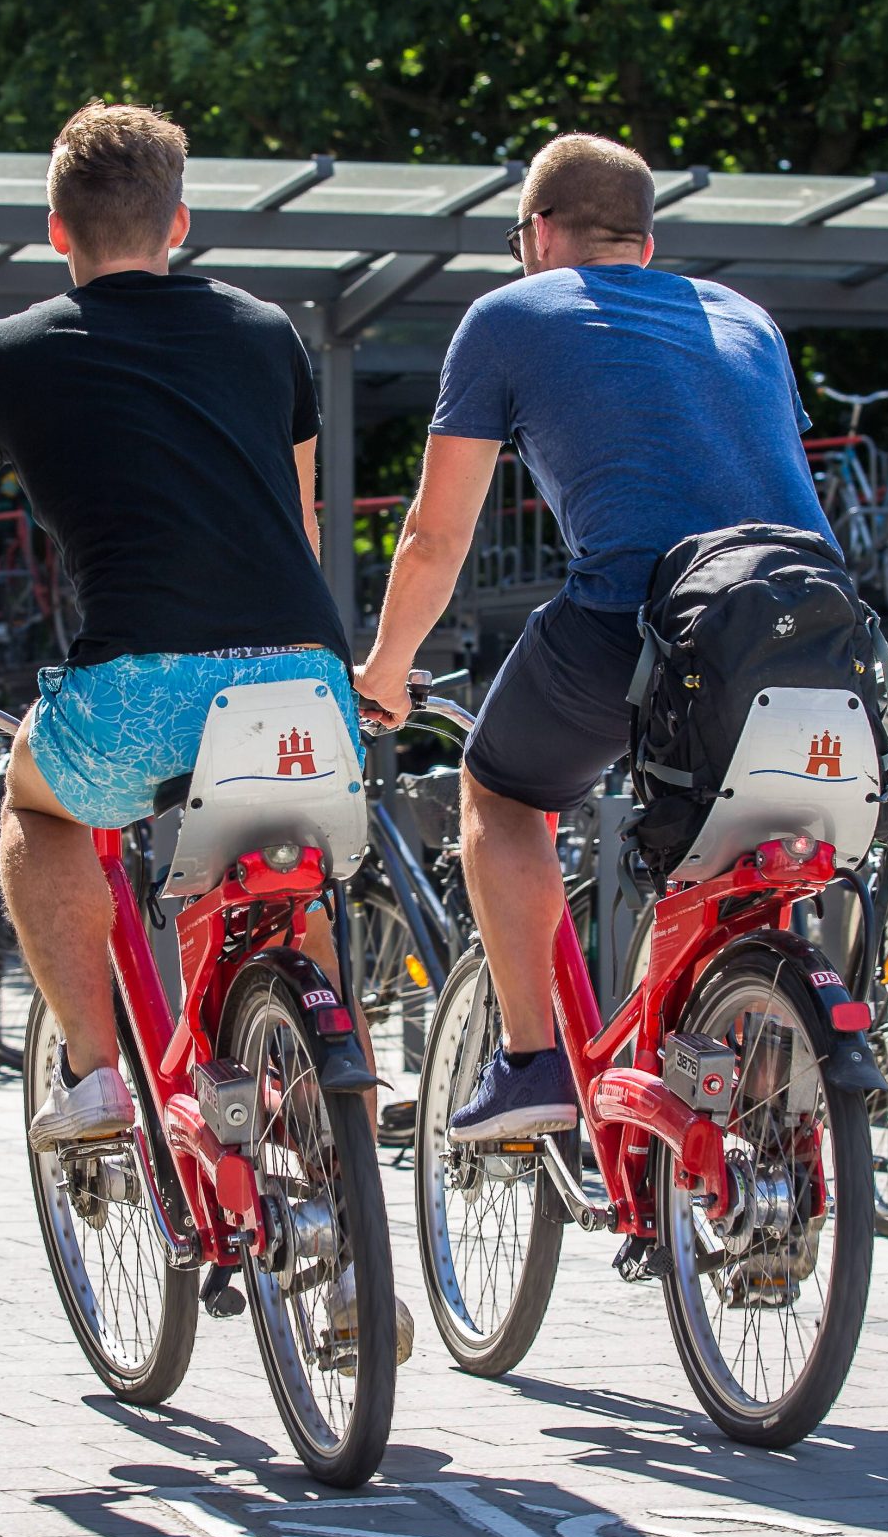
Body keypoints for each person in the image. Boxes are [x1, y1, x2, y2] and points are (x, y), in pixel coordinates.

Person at [0, 101, 355, 1151]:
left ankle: (91, 1075)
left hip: (139, 690)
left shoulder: (9, 355)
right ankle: (325, 1094)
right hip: (301, 683)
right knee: (287, 851)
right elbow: (297, 527)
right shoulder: (268, 335)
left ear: (55, 229)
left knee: (38, 807)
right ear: (178, 224)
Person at [354, 132, 833, 1141]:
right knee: (744, 839)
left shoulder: (509, 316)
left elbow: (436, 536)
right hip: (811, 622)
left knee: (503, 790)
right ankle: (732, 1054)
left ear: (536, 233)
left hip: (642, 619)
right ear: (646, 245)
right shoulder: (747, 318)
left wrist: (385, 671)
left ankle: (533, 1061)